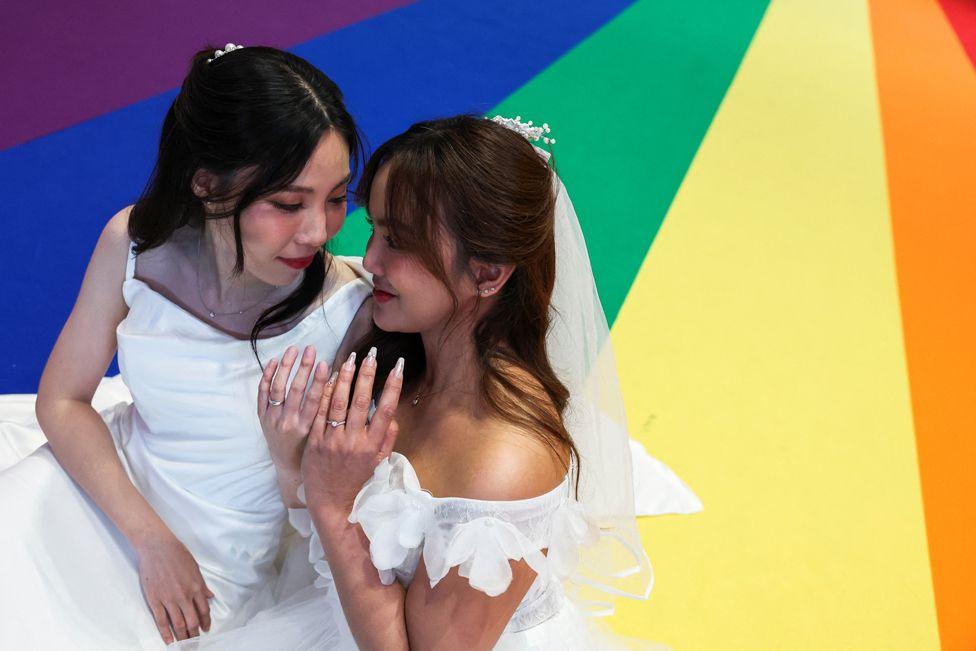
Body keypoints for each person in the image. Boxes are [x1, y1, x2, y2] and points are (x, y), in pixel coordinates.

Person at [185, 115, 699, 649]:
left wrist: (334, 506)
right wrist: (296, 465)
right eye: (375, 230)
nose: (371, 260)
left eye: (400, 242)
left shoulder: (505, 463)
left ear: (488, 274)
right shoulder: (388, 350)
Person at [0, 44, 374, 649]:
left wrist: (289, 461)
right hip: (95, 487)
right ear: (206, 184)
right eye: (287, 204)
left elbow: (337, 509)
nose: (319, 230)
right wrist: (150, 540)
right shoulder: (135, 242)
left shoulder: (351, 314)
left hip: (214, 576)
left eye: (336, 197)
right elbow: (64, 401)